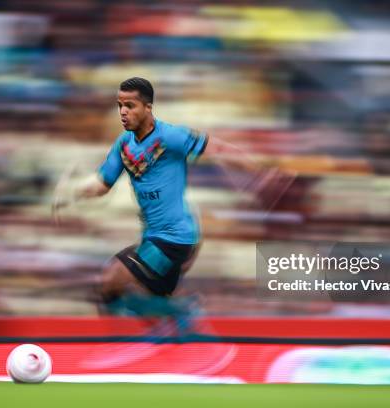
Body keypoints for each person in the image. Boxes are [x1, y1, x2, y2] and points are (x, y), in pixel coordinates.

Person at [53, 77, 273, 311]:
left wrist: (258, 171)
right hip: (153, 237)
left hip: (175, 238)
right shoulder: (123, 144)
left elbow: (217, 149)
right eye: (120, 106)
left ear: (148, 107)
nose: (123, 112)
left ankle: (175, 322)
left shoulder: (171, 136)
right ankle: (179, 326)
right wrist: (73, 192)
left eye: (130, 106)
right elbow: (101, 185)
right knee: (127, 294)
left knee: (111, 280)